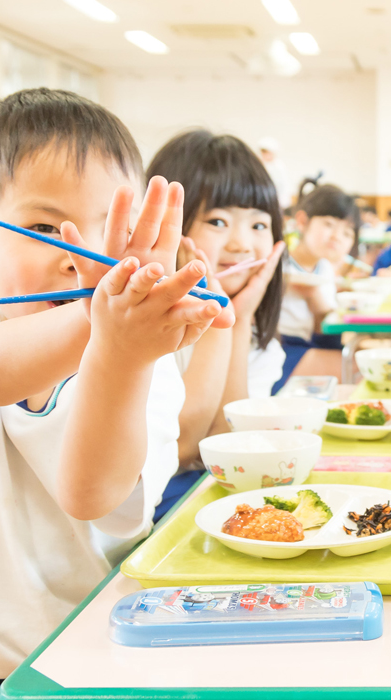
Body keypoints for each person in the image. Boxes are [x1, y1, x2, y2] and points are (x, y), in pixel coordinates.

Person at [0, 88, 226, 695]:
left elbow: (91, 493)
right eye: (45, 226)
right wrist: (106, 317)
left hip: (111, 670)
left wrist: (123, 345)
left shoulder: (141, 360)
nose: (82, 258)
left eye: (108, 230)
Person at [145, 129, 287, 518]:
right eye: (218, 221)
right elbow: (182, 448)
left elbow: (229, 441)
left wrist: (237, 325)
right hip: (151, 508)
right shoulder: (141, 330)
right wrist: (220, 319)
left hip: (205, 501)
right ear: (166, 225)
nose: (242, 244)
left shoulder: (262, 343)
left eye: (259, 226)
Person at [277, 182, 358, 389]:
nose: (336, 237)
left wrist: (316, 298)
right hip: (282, 352)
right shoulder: (279, 264)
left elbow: (324, 334)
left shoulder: (324, 268)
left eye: (347, 233)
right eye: (329, 224)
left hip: (310, 347)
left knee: (369, 363)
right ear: (302, 221)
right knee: (363, 372)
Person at [255, 136, 290, 207]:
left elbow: (284, 187)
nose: (264, 155)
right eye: (263, 152)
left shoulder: (279, 167)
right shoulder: (260, 164)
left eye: (266, 152)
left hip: (277, 201)